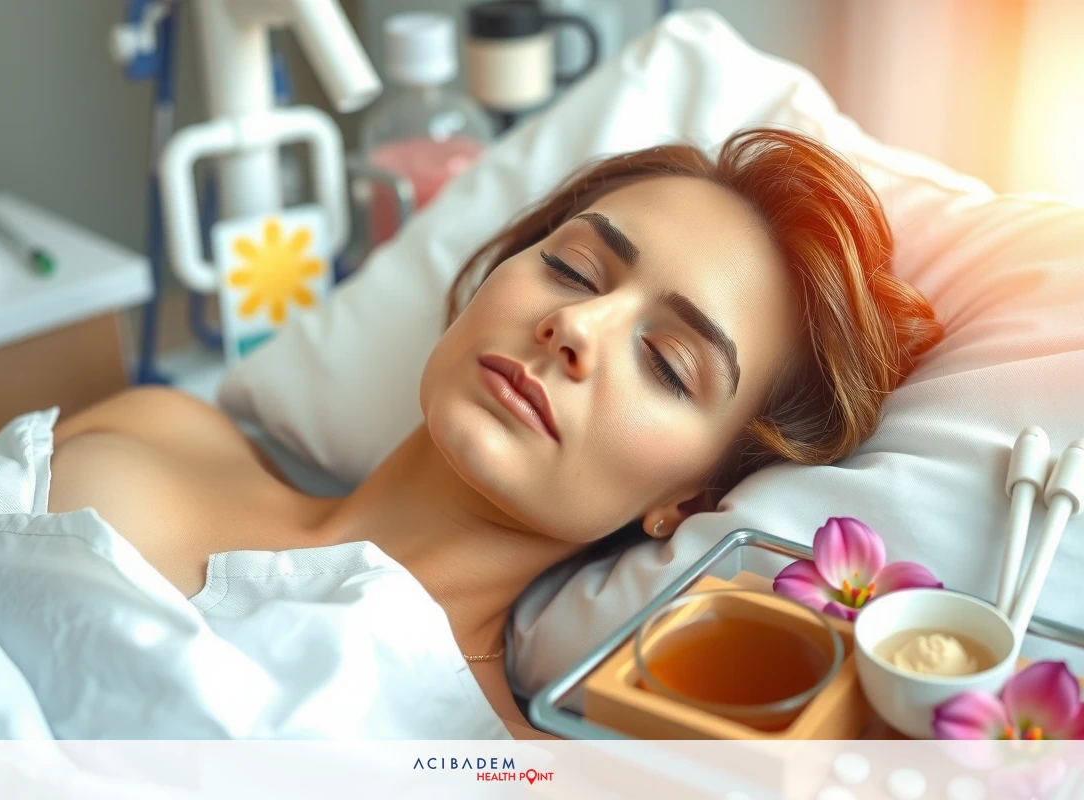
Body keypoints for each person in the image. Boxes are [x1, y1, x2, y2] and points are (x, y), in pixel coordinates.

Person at [47, 128, 943, 738]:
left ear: (692, 500)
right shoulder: (159, 422)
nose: (575, 328)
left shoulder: (480, 758)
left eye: (668, 363)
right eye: (573, 268)